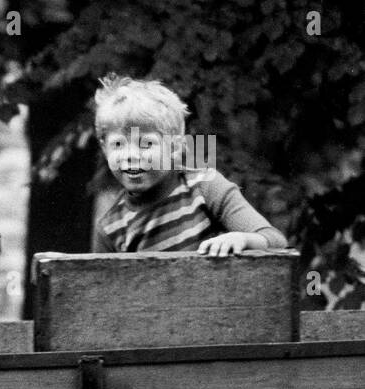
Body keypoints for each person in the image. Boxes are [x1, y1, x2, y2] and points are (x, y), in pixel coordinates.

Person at [92, 75, 287, 254]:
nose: (131, 155)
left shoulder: (205, 187)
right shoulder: (110, 229)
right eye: (118, 144)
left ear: (175, 147)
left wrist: (242, 238)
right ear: (104, 148)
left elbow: (275, 241)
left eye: (146, 143)